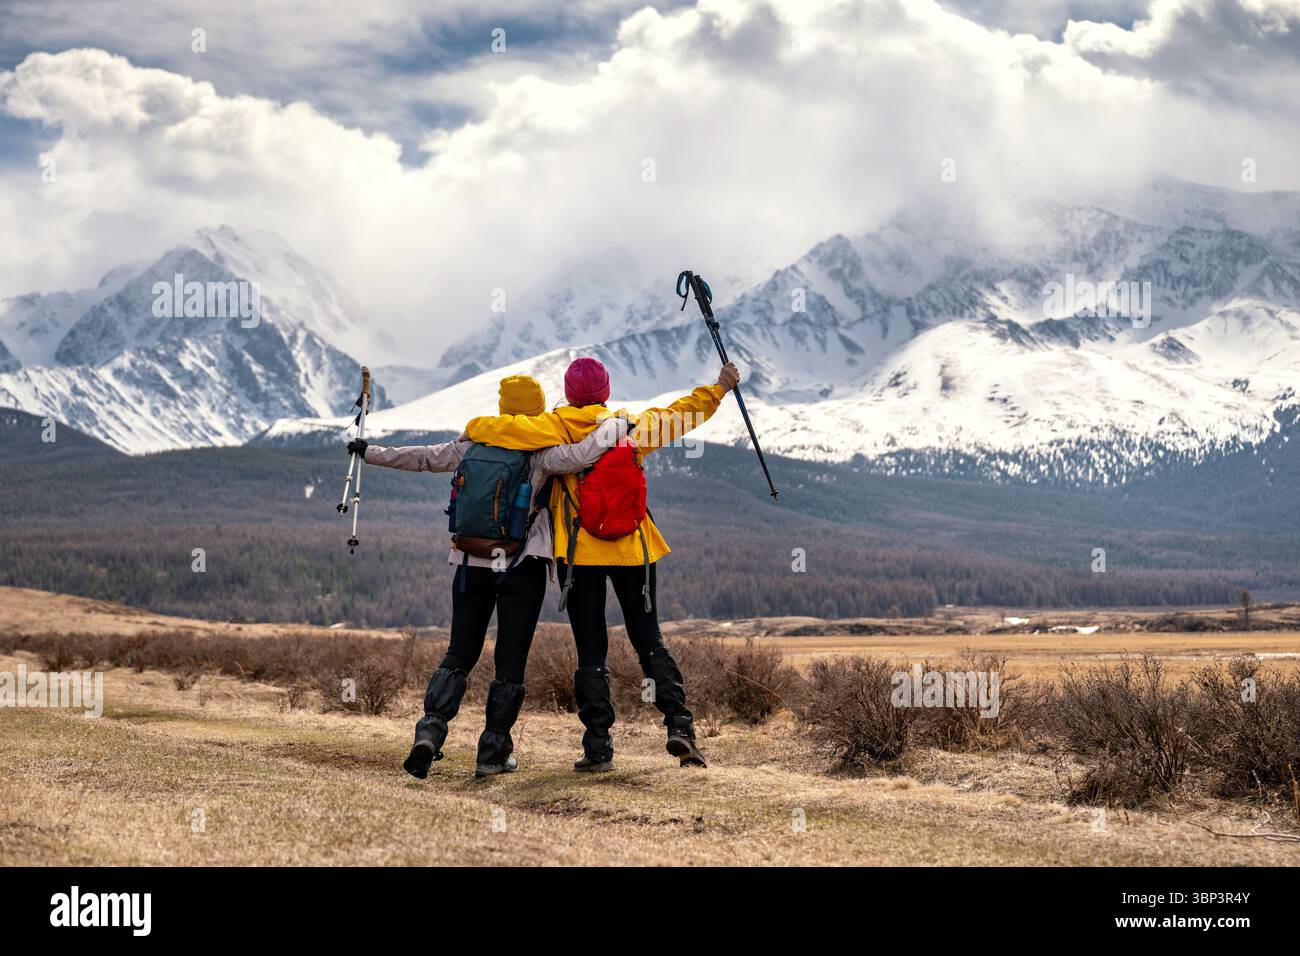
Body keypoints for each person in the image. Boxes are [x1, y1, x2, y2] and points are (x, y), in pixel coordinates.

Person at [463, 357, 741, 772]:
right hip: (635, 549)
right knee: (650, 639)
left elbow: (497, 429)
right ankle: (680, 726)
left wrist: (474, 427)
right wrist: (719, 388)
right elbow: (682, 414)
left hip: (580, 557)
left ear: (569, 393)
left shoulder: (552, 428)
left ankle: (598, 747)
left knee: (592, 649)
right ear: (605, 393)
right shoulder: (629, 425)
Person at [347, 373, 628, 779]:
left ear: (502, 406)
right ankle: (492, 754)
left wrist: (368, 451)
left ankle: (429, 732)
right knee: (508, 663)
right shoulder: (540, 450)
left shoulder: (473, 442)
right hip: (521, 567)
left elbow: (424, 458)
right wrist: (618, 424)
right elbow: (584, 455)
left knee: (459, 653)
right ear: (536, 407)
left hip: (468, 563)